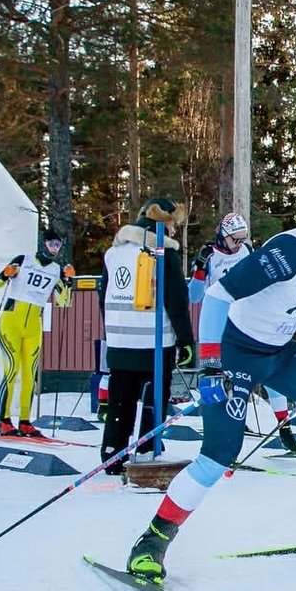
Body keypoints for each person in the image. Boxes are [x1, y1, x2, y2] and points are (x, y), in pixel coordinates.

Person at [127, 177, 296, 581]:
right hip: (236, 352)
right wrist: (210, 364)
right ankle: (152, 540)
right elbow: (219, 294)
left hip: (280, 351)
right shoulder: (295, 249)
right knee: (218, 454)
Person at [189, 211, 296, 454]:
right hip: (220, 327)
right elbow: (194, 297)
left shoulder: (246, 251)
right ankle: (220, 440)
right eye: (235, 240)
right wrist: (199, 271)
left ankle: (284, 428)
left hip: (247, 322)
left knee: (270, 371)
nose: (238, 245)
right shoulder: (209, 255)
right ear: (223, 236)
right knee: (223, 382)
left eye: (243, 240)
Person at [100, 198, 194, 475]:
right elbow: (177, 302)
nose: (175, 231)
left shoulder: (113, 253)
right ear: (163, 223)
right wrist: (186, 341)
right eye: (174, 225)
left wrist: (111, 330)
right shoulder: (164, 254)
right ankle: (148, 445)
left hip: (119, 342)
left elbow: (101, 294)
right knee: (155, 396)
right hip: (154, 343)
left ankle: (112, 451)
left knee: (120, 398)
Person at [0, 228, 74, 437]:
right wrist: (6, 273)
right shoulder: (24, 259)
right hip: (12, 319)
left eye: (58, 245)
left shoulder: (56, 269)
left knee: (30, 375)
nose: (54, 249)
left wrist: (69, 282)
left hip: (34, 323)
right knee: (11, 371)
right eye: (51, 244)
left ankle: (25, 421)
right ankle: (4, 421)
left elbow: (64, 302)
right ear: (42, 243)